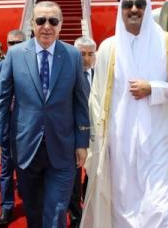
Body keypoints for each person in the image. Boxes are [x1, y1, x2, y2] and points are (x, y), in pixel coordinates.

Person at [81, 0, 168, 228]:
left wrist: (154, 88)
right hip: (121, 144)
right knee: (122, 206)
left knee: (159, 207)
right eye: (128, 5)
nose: (134, 9)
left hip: (159, 138)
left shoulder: (167, 43)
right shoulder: (109, 47)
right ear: (121, 10)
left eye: (140, 4)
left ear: (148, 7)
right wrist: (98, 144)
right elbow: (96, 99)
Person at [0, 1, 90, 228]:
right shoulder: (15, 54)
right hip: (26, 148)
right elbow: (1, 101)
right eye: (41, 20)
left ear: (60, 25)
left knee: (55, 212)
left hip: (63, 148)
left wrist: (82, 141)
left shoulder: (72, 55)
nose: (47, 26)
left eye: (53, 21)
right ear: (32, 24)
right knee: (34, 212)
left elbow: (81, 102)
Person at [0, 29, 26, 226]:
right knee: (6, 170)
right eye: (12, 43)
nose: (15, 46)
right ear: (6, 45)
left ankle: (28, 201)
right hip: (5, 128)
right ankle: (6, 207)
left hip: (27, 128)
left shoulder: (32, 65)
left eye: (19, 42)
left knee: (27, 168)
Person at [70, 36, 97, 228]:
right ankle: (75, 215)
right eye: (81, 54)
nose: (86, 59)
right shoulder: (67, 76)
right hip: (74, 136)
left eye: (90, 54)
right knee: (73, 178)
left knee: (94, 173)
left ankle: (90, 208)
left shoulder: (101, 75)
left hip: (98, 136)